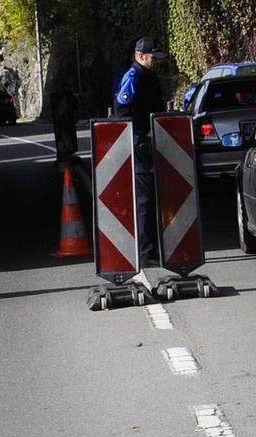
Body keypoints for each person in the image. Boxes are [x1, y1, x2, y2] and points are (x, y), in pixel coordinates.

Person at [112, 36, 168, 267]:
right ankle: (146, 253)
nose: (156, 62)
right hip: (141, 144)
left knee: (154, 198)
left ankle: (154, 249)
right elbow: (121, 109)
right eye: (153, 58)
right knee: (144, 200)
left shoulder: (149, 77)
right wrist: (138, 137)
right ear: (140, 56)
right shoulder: (133, 77)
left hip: (153, 141)